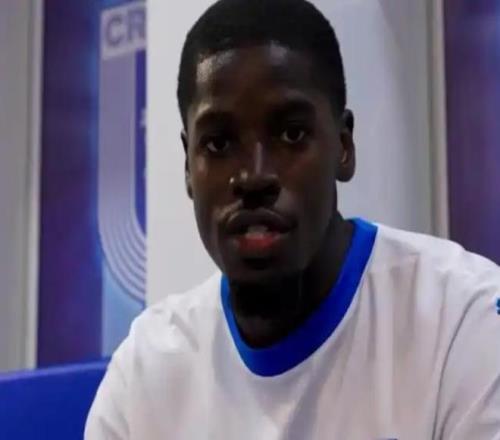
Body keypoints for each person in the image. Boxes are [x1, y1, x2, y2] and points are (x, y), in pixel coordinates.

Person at [85, 0, 500, 438]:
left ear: (343, 146)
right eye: (219, 144)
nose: (253, 176)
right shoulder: (144, 373)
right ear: (188, 167)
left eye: (291, 134)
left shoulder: (462, 322)